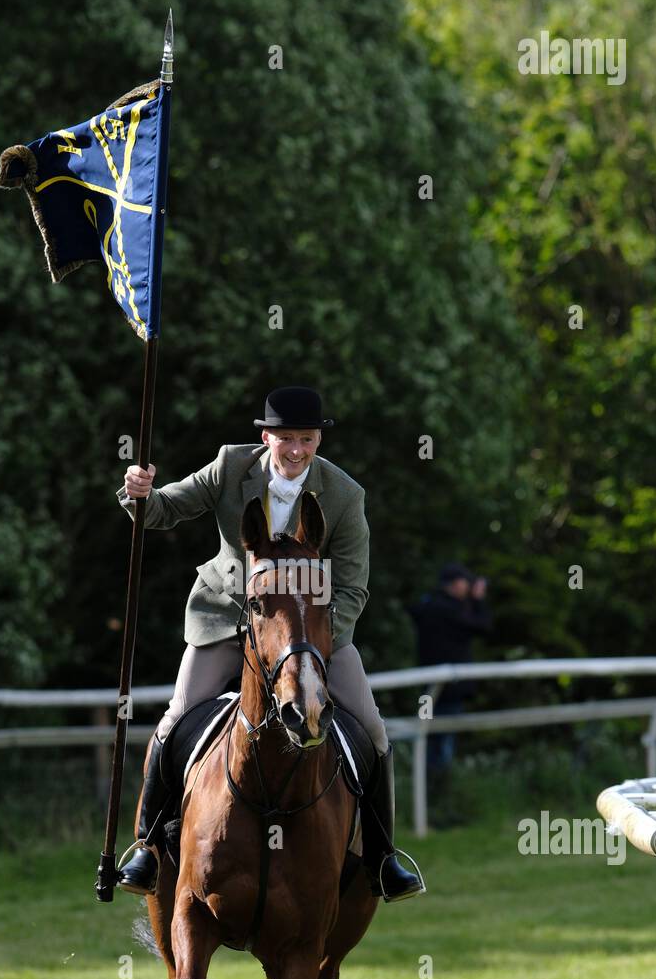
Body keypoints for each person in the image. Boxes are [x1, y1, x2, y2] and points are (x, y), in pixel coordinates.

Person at [115, 385, 424, 902]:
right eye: (287, 439)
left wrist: (311, 641)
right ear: (266, 438)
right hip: (226, 622)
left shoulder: (345, 496)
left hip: (307, 638)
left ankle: (383, 858)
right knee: (176, 718)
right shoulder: (230, 467)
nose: (297, 450)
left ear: (319, 440)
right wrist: (140, 493)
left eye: (307, 439)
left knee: (372, 730)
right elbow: (165, 510)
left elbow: (353, 589)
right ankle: (148, 847)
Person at [406, 564, 492, 794]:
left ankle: (430, 797)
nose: (469, 587)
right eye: (466, 582)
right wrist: (478, 600)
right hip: (448, 689)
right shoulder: (447, 610)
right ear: (454, 584)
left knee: (430, 739)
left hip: (431, 687)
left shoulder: (430, 605)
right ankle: (438, 799)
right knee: (441, 744)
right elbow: (482, 627)